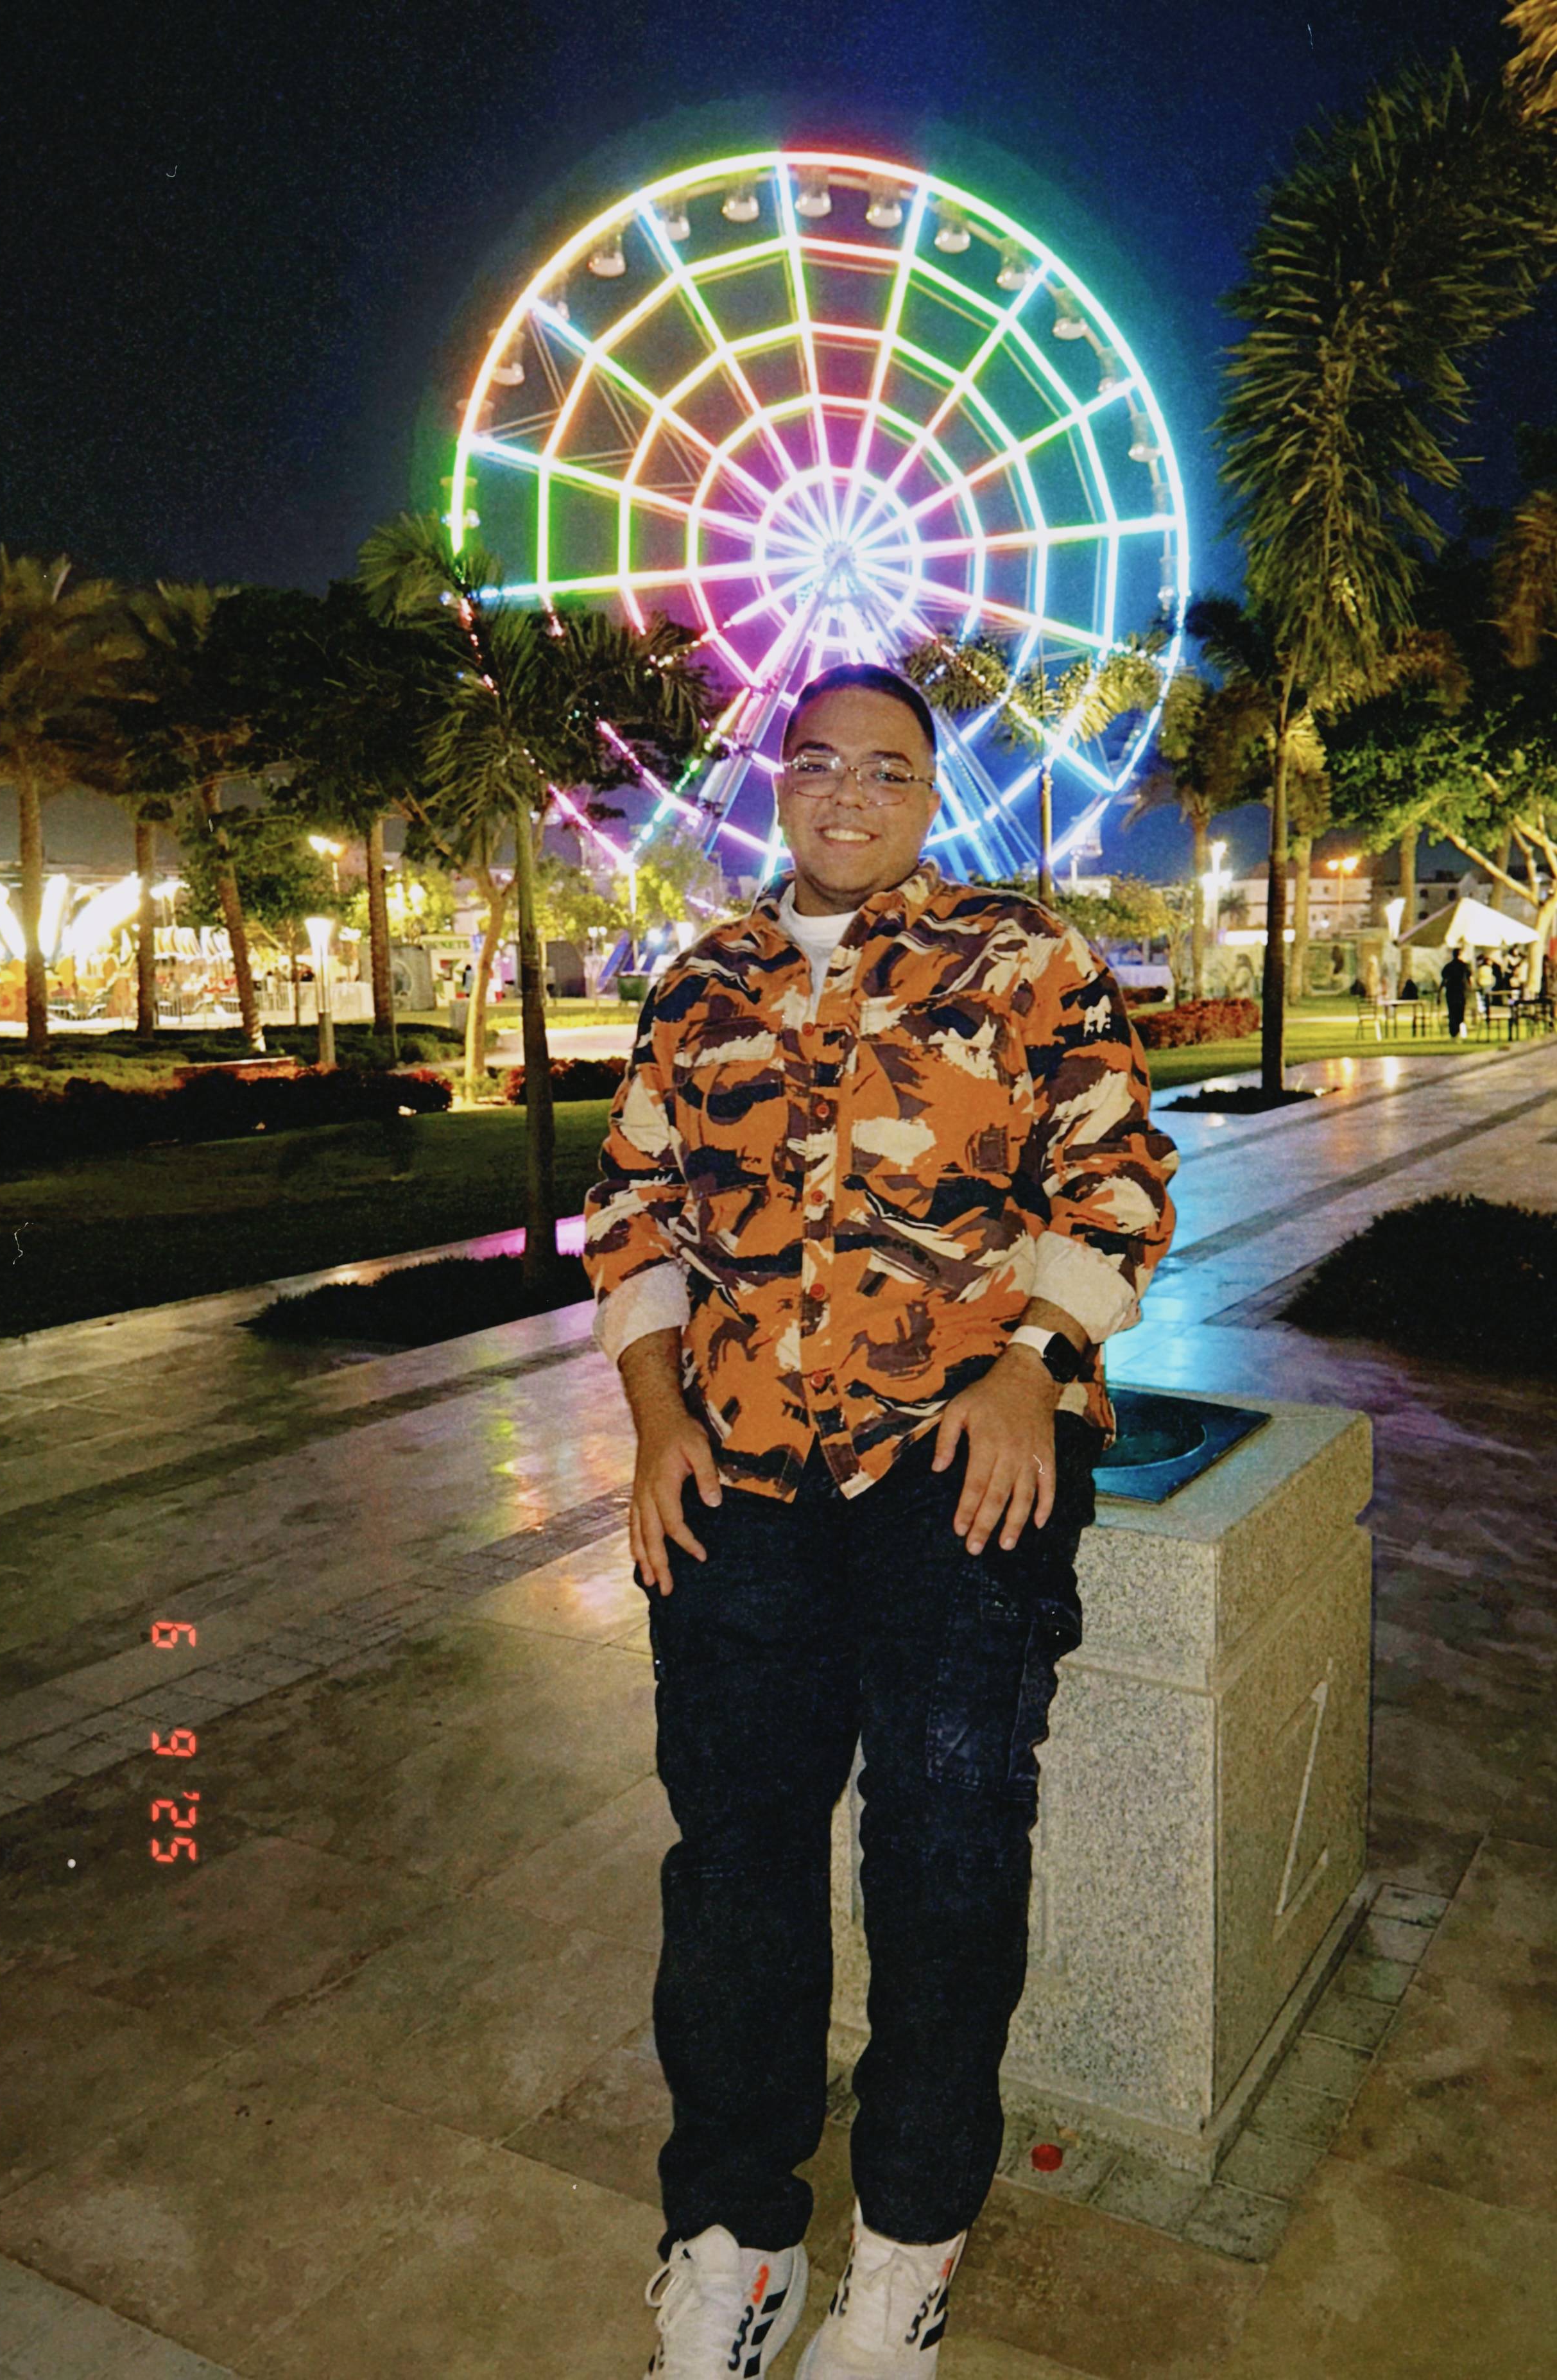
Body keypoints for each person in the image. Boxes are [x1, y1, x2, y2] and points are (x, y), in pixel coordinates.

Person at [582, 662, 1179, 2378]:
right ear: (778, 782)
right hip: (738, 1480)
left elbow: (1118, 1180)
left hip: (958, 1476)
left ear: (932, 794)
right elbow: (632, 1213)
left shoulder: (1024, 957)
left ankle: (907, 2251)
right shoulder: (702, 979)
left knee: (943, 1855)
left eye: (889, 768)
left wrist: (1032, 1363)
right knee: (735, 1862)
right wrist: (654, 1419)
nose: (848, 792)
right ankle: (735, 2239)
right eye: (819, 761)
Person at [1441, 946, 1472, 1040]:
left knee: (1452, 1012)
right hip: (1461, 992)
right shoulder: (1465, 966)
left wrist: (1440, 992)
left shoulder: (1448, 966)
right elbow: (1469, 979)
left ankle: (1453, 1032)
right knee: (1460, 1012)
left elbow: (1444, 980)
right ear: (1460, 955)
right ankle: (1460, 1030)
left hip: (1451, 992)